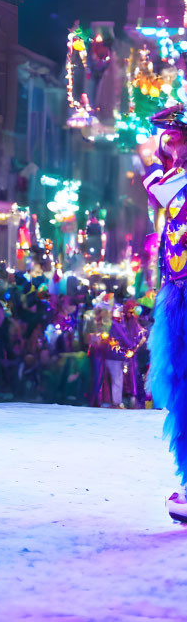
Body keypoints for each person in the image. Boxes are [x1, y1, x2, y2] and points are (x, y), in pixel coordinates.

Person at [142, 105, 187, 523]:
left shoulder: (176, 181)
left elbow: (160, 192)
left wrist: (154, 171)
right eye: (168, 135)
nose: (170, 142)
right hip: (178, 289)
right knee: (180, 378)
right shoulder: (175, 176)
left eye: (178, 134)